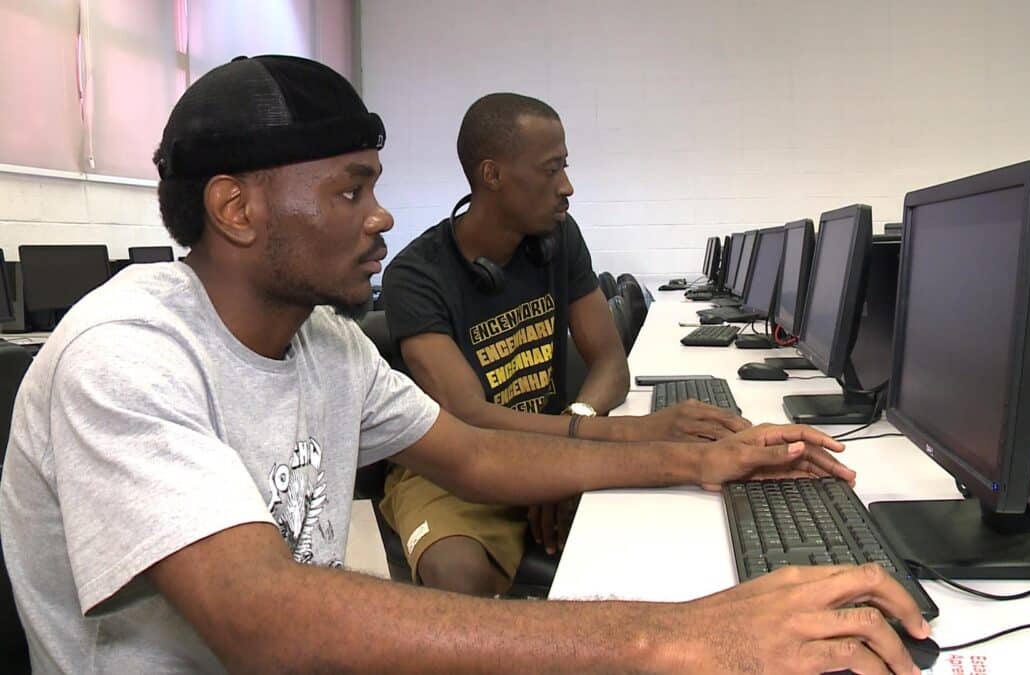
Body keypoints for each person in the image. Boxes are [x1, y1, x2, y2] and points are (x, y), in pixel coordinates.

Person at [0, 55, 929, 674]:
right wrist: (678, 633)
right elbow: (259, 616)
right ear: (237, 210)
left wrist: (696, 457)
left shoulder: (321, 342)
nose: (383, 215)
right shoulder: (126, 356)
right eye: (350, 188)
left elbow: (478, 455)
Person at [381, 92, 748, 595]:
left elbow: (611, 364)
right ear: (492, 175)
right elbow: (469, 416)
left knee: (665, 535)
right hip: (449, 467)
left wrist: (569, 439)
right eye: (551, 170)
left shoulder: (558, 238)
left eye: (565, 167)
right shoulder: (416, 275)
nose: (567, 187)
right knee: (456, 577)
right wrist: (614, 438)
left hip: (552, 441)